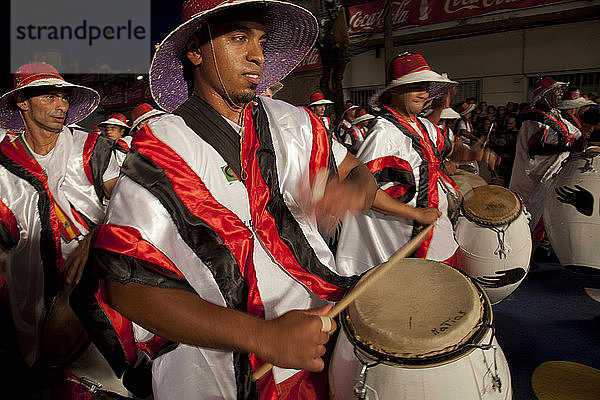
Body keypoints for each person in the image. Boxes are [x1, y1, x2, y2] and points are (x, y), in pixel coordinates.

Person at [72, 1, 380, 398]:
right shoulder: (163, 147)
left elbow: (358, 171)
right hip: (218, 368)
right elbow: (126, 287)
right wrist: (265, 336)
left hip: (321, 335)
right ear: (195, 51)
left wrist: (351, 191)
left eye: (261, 41)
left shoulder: (294, 122)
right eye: (239, 38)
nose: (257, 55)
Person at [0, 62, 119, 395]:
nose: (61, 105)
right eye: (49, 96)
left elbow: (135, 200)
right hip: (34, 310)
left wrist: (96, 235)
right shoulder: (4, 164)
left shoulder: (91, 150)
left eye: (64, 97)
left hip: (103, 297)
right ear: (23, 102)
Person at [336, 53, 498, 275]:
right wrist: (416, 215)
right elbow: (364, 193)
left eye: (425, 87)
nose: (424, 94)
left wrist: (475, 154)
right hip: (404, 241)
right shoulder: (383, 134)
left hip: (436, 231)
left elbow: (451, 149)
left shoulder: (424, 126)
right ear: (393, 90)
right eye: (415, 87)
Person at [509, 77, 584, 253]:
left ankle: (538, 247)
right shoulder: (534, 119)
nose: (560, 95)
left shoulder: (555, 115)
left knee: (544, 212)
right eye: (556, 91)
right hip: (535, 175)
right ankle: (524, 252)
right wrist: (568, 146)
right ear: (544, 95)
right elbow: (536, 147)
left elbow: (572, 135)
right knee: (530, 212)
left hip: (550, 173)